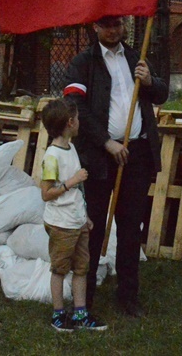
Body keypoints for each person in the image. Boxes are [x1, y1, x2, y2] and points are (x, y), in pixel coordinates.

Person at [64, 15, 169, 317]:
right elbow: (75, 106)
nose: (112, 30)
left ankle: (128, 296)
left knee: (130, 226)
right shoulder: (83, 63)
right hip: (100, 155)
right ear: (95, 27)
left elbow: (162, 92)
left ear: (123, 26)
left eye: (117, 24)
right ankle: (87, 297)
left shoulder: (138, 56)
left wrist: (150, 81)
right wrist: (106, 142)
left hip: (136, 153)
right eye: (106, 24)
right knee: (94, 226)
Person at [39, 99, 107, 332]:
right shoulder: (52, 157)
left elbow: (79, 193)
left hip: (77, 222)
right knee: (59, 269)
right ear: (70, 122)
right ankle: (58, 315)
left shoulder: (71, 148)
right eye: (77, 119)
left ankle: (80, 314)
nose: (79, 123)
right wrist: (71, 182)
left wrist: (84, 215)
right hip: (61, 225)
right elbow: (46, 193)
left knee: (81, 269)